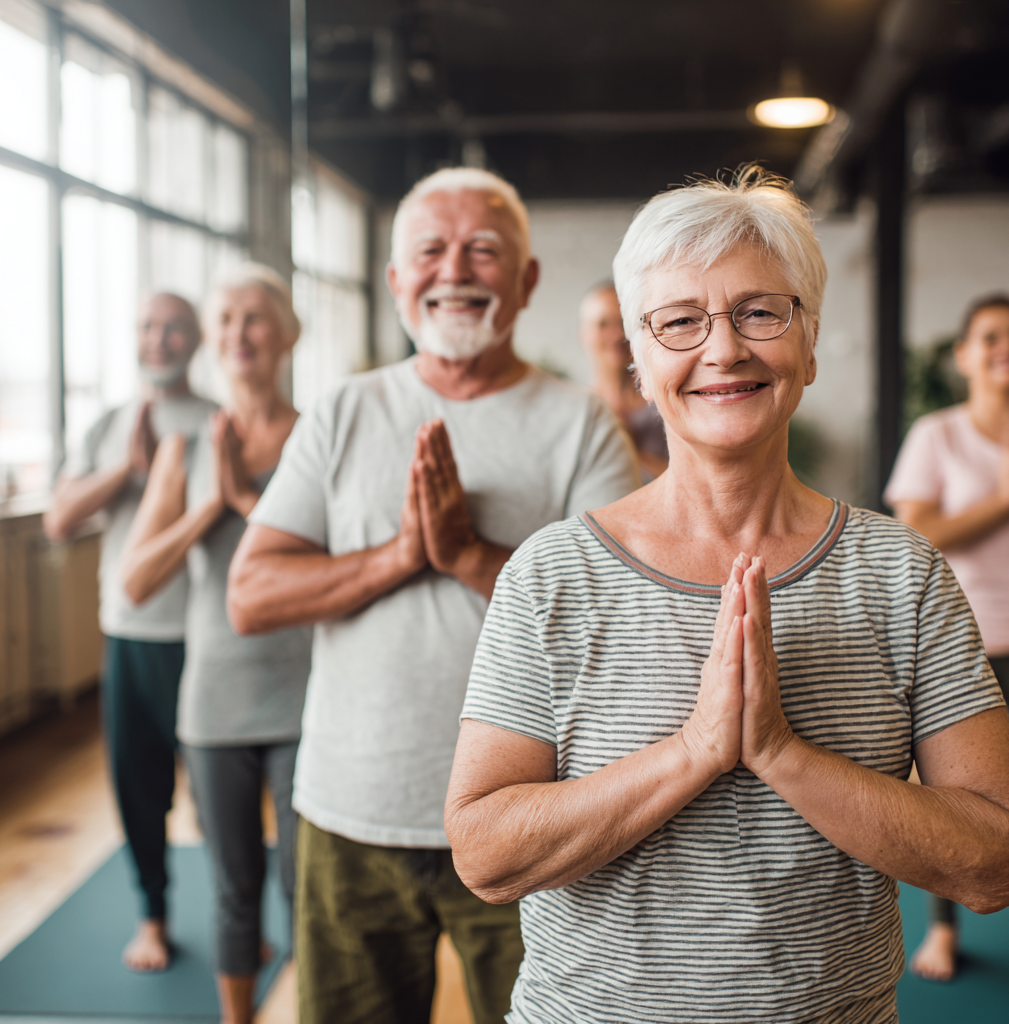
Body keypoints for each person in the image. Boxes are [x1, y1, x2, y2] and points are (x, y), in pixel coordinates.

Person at [444, 167, 1009, 1024]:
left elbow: (992, 859)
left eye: (759, 312)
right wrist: (697, 750)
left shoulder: (904, 574)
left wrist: (782, 753)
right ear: (638, 361)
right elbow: (486, 855)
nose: (723, 350)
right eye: (679, 322)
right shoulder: (550, 574)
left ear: (809, 342)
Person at [225, 167, 641, 1024]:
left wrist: (468, 554)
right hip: (349, 816)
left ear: (525, 280)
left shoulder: (580, 424)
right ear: (395, 281)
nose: (454, 269)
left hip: (530, 821)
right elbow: (252, 592)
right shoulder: (342, 410)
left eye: (483, 250)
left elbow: (621, 618)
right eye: (430, 251)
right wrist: (399, 556)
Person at [121, 265, 312, 1024]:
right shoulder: (185, 448)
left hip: (305, 695)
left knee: (307, 888)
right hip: (215, 701)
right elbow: (135, 579)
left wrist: (249, 503)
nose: (238, 333)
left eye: (255, 318)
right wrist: (214, 505)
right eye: (225, 319)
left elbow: (335, 558)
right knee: (232, 891)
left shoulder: (314, 436)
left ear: (288, 335)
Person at [44, 293, 215, 972]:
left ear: (195, 339)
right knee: (137, 784)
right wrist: (128, 470)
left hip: (204, 637)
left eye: (173, 327)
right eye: (147, 327)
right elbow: (60, 519)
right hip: (128, 635)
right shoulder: (110, 423)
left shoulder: (217, 421)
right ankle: (153, 916)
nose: (159, 339)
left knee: (214, 793)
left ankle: (234, 920)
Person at [885, 292, 1009, 983]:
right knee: (955, 801)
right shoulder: (938, 433)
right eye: (989, 336)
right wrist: (1001, 499)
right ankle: (942, 928)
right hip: (968, 647)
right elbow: (917, 532)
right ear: (964, 355)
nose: (1003, 348)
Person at [580, 281, 669, 480]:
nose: (617, 334)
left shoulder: (667, 403)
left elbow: (698, 488)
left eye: (623, 323)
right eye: (602, 324)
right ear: (583, 334)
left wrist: (632, 449)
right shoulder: (576, 412)